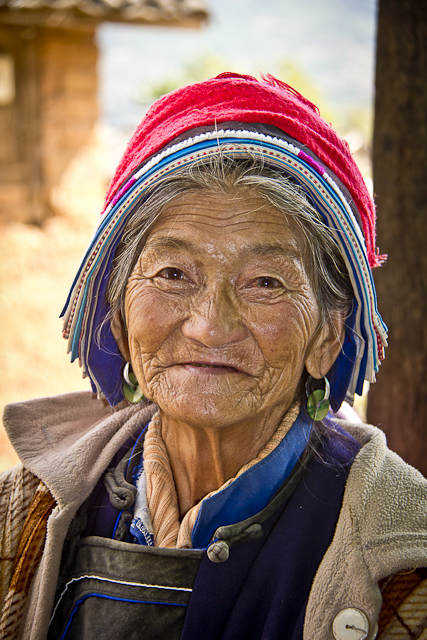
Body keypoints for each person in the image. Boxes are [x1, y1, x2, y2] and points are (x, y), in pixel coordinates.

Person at [1, 73, 426, 640]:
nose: (207, 327)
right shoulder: (25, 516)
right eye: (173, 274)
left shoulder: (401, 560)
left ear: (327, 336)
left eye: (265, 282)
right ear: (120, 319)